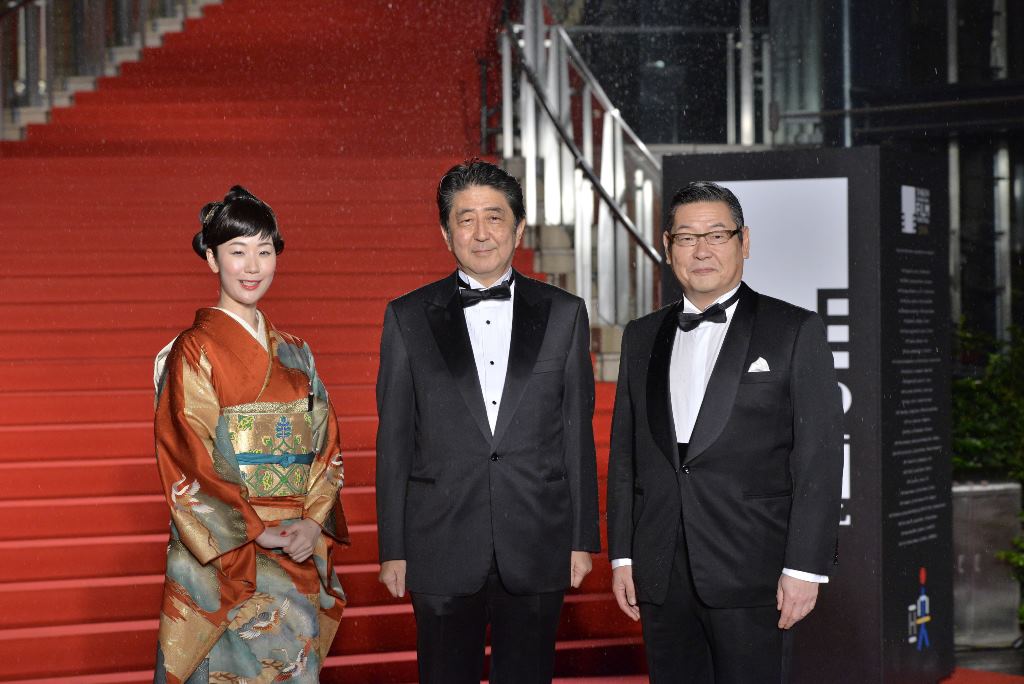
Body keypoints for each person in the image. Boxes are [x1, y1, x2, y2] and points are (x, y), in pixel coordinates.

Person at [606, 181, 844, 683]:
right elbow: (627, 455)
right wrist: (624, 555)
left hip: (753, 568)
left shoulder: (794, 330)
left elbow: (819, 459)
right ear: (667, 247)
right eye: (687, 237)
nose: (702, 250)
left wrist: (805, 567)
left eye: (717, 234)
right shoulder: (641, 335)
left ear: (745, 242)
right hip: (661, 566)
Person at [374, 159, 600, 684]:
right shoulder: (407, 316)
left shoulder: (564, 312)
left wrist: (582, 536)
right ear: (445, 231)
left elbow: (576, 431)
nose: (481, 233)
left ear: (519, 228)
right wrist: (394, 548)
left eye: (495, 218)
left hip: (538, 536)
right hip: (440, 540)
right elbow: (395, 441)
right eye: (466, 218)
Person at [152, 186, 348, 683]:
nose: (253, 265)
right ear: (212, 259)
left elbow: (325, 448)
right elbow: (189, 455)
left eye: (264, 251)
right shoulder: (192, 352)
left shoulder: (297, 353)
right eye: (237, 252)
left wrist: (312, 524)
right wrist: (258, 530)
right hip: (231, 552)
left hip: (295, 546)